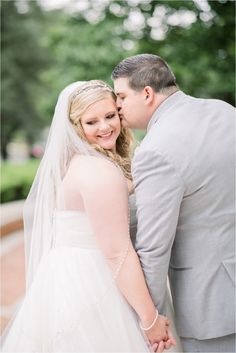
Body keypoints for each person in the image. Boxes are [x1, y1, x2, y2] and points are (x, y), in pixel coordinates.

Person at [1, 80, 176, 352]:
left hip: (64, 276)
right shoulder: (98, 171)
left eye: (109, 116)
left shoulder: (79, 163)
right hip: (93, 285)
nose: (105, 127)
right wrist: (149, 319)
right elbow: (117, 253)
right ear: (76, 126)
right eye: (91, 122)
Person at [112, 54, 235, 353]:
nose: (117, 107)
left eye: (121, 96)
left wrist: (150, 320)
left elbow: (153, 247)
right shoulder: (224, 111)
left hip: (211, 305)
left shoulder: (155, 151)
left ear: (147, 94)